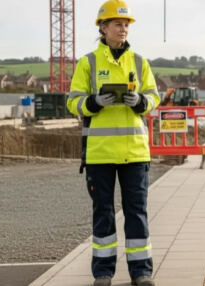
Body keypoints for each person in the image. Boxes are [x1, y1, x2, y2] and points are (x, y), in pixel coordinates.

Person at [67, 1, 160, 285]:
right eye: (118, 24)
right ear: (103, 28)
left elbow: (154, 100)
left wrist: (142, 102)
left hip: (134, 153)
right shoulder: (88, 63)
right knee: (103, 213)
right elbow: (73, 102)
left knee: (136, 212)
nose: (124, 29)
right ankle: (103, 272)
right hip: (100, 153)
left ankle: (141, 272)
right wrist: (94, 102)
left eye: (126, 25)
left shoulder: (140, 62)